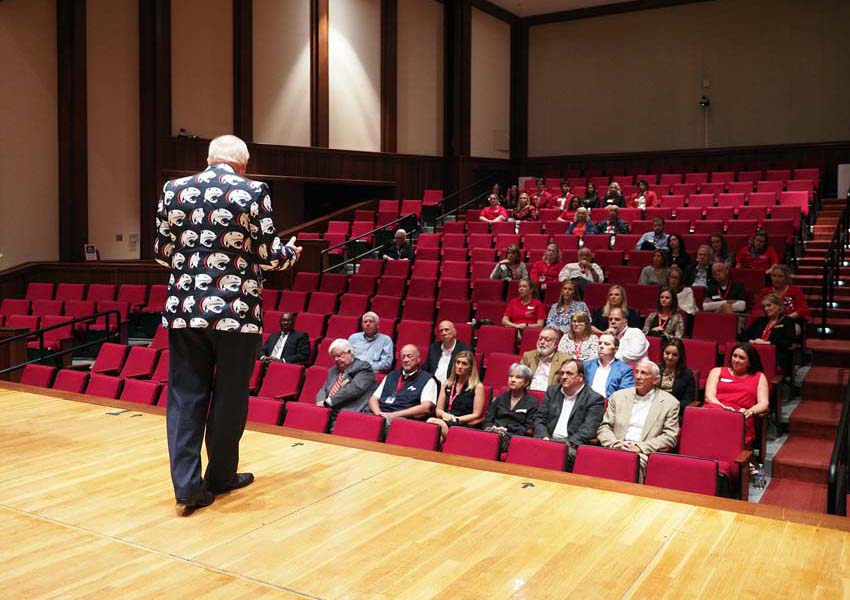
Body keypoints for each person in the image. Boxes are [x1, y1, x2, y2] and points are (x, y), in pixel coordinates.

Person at [155, 134, 301, 516]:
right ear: (243, 165)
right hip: (236, 312)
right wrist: (290, 254)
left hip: (185, 307)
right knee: (230, 396)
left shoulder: (174, 190)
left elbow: (161, 253)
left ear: (208, 159)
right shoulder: (254, 190)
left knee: (185, 396)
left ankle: (187, 487)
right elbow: (269, 257)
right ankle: (220, 476)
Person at [596, 360, 680, 479]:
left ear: (655, 380)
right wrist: (614, 443)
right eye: (636, 372)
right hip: (615, 448)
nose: (638, 377)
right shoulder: (618, 396)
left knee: (631, 464)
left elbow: (670, 437)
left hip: (641, 453)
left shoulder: (669, 403)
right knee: (591, 459)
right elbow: (604, 426)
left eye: (644, 373)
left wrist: (639, 447)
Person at [533, 360, 605, 470]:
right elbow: (539, 418)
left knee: (556, 455)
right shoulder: (552, 392)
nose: (564, 377)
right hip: (547, 440)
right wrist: (544, 437)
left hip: (571, 445)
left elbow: (589, 429)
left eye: (569, 373)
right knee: (525, 448)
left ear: (580, 377)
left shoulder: (594, 399)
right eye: (562, 373)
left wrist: (568, 444)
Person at [704, 342, 769, 447]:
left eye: (742, 358)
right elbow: (709, 396)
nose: (736, 360)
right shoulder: (717, 371)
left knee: (736, 420)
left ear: (750, 362)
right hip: (716, 410)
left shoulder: (759, 376)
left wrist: (750, 411)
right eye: (735, 356)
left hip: (740, 415)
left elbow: (764, 403)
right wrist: (724, 408)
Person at [366, 344, 437, 422]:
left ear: (418, 359)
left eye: (409, 356)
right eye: (403, 357)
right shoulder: (391, 375)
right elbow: (373, 399)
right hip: (381, 414)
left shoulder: (427, 379)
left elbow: (425, 407)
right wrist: (379, 414)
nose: (406, 360)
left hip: (403, 419)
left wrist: (395, 415)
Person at [427, 350, 486, 443]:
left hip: (463, 424)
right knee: (437, 438)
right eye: (458, 362)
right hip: (446, 421)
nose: (459, 366)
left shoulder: (477, 387)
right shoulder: (447, 383)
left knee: (432, 423)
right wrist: (444, 414)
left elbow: (477, 414)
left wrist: (458, 419)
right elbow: (438, 409)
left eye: (464, 364)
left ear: (471, 367)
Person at [483, 363, 539, 452]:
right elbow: (488, 418)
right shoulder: (501, 397)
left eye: (518, 377)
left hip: (513, 437)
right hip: (493, 432)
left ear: (527, 382)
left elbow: (527, 428)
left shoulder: (531, 402)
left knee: (491, 444)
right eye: (511, 376)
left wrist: (507, 429)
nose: (512, 380)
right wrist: (491, 428)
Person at [317, 338, 378, 417]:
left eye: (338, 356)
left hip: (350, 412)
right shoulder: (333, 370)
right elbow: (324, 389)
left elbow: (354, 389)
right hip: (329, 411)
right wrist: (320, 402)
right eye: (333, 357)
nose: (336, 359)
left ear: (349, 353)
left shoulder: (363, 367)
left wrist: (328, 402)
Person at [739, 293, 796, 374]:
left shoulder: (787, 321)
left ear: (779, 306)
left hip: (775, 354)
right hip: (755, 353)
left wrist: (767, 343)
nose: (766, 309)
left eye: (769, 305)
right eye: (764, 307)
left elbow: (787, 342)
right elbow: (742, 335)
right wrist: (751, 341)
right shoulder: (761, 321)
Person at [757, 264, 811, 329]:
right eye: (774, 276)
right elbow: (758, 309)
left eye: (780, 276)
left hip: (790, 321)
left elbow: (802, 309)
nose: (776, 279)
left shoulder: (795, 290)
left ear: (786, 278)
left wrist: (785, 320)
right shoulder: (765, 292)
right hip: (768, 321)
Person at [584, 334, 635, 398]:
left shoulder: (625, 370)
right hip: (586, 402)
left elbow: (625, 395)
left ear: (616, 349)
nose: (601, 346)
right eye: (600, 343)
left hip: (608, 404)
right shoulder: (587, 365)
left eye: (606, 344)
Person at [657, 337, 696, 420]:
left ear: (680, 356)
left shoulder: (687, 374)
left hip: (674, 413)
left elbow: (687, 400)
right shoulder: (655, 369)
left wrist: (670, 407)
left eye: (674, 355)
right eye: (667, 353)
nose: (670, 357)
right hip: (654, 409)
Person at [522, 327, 568, 391]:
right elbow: (520, 377)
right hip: (528, 395)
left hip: (550, 397)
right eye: (540, 339)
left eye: (547, 340)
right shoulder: (528, 356)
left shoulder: (564, 360)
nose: (542, 342)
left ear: (555, 344)